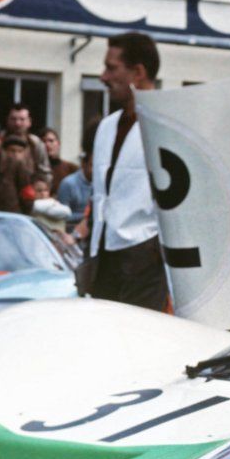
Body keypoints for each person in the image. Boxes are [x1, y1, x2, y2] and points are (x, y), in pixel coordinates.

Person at [85, 33, 169, 309]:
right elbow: (101, 193)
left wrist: (155, 251)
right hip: (103, 257)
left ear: (138, 72)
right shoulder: (106, 127)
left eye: (111, 68)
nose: (103, 77)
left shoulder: (166, 125)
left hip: (144, 258)